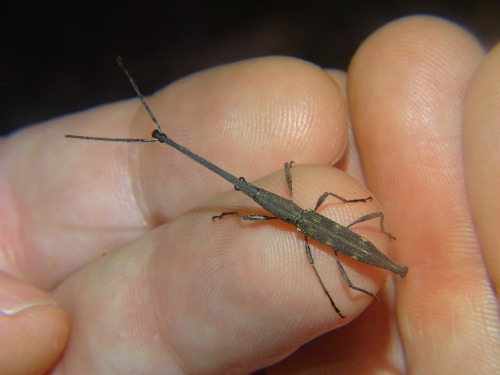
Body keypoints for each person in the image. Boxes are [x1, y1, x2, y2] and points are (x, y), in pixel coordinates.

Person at [1, 15, 498, 374]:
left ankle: (377, 272)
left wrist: (352, 218)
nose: (245, 195)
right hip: (318, 224)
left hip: (325, 227)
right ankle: (369, 275)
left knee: (330, 266)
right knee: (319, 268)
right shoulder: (277, 212)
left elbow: (299, 210)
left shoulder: (287, 215)